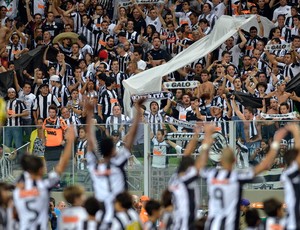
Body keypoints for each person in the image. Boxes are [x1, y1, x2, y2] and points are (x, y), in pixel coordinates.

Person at [200, 126, 288, 230]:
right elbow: (263, 166)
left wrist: (206, 142)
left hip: (212, 225)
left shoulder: (211, 174)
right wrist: (275, 143)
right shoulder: (236, 177)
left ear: (220, 160)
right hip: (229, 225)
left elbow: (199, 164)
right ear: (234, 160)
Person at [85, 98, 145, 226]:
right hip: (119, 212)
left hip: (101, 214)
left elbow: (90, 143)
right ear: (113, 150)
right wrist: (138, 113)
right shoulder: (117, 164)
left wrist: (89, 115)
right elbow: (130, 139)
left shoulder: (94, 168)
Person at [12, 126, 76, 230]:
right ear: (40, 170)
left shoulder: (17, 188)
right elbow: (61, 166)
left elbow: (14, 213)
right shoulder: (43, 185)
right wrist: (70, 142)